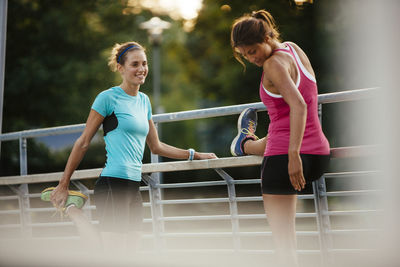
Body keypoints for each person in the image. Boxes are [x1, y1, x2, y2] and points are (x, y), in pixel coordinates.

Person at [46, 41, 217, 254]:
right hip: (113, 183)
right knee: (111, 254)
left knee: (131, 254)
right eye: (135, 64)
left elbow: (156, 147)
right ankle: (72, 209)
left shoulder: (144, 101)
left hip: (133, 186)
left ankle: (72, 208)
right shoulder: (107, 98)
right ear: (121, 68)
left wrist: (194, 154)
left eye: (144, 63)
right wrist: (63, 183)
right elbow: (83, 142)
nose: (141, 69)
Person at [230, 10, 330, 266]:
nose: (251, 58)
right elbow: (307, 98)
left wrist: (293, 155)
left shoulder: (272, 64)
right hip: (318, 154)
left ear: (266, 36)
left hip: (286, 159)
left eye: (253, 51)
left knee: (284, 246)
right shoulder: (294, 49)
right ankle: (247, 143)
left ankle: (245, 144)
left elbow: (299, 106)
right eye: (245, 55)